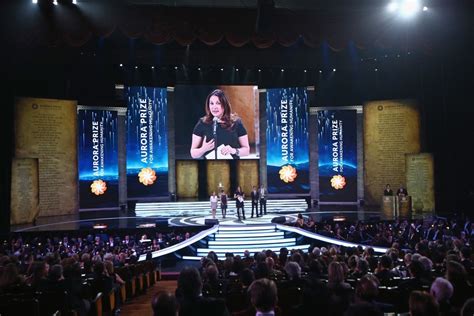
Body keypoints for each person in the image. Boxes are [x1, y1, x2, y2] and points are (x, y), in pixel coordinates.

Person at [190, 89, 250, 159]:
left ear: (224, 105)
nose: (214, 107)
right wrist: (203, 149)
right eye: (211, 103)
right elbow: (193, 154)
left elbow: (246, 151)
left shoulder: (236, 122)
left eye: (218, 103)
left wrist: (233, 150)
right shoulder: (202, 123)